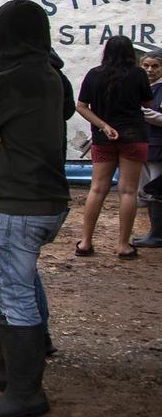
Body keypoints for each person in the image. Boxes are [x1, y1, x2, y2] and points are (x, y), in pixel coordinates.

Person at [0, 0, 71, 417]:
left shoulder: (8, 80)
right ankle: (1, 366)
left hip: (19, 201)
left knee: (16, 292)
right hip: (49, 198)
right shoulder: (53, 76)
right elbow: (62, 112)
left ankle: (25, 392)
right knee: (10, 283)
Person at [75, 35, 153, 259]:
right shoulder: (138, 74)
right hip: (133, 136)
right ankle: (123, 245)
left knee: (97, 188)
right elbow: (147, 103)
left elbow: (81, 106)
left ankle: (85, 243)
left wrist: (103, 125)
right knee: (128, 191)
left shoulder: (94, 74)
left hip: (103, 138)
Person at [132, 50, 162, 248]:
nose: (150, 70)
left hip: (159, 148)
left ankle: (157, 234)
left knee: (156, 191)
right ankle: (153, 231)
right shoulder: (141, 88)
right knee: (145, 192)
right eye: (146, 66)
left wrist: (145, 114)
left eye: (155, 66)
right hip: (143, 145)